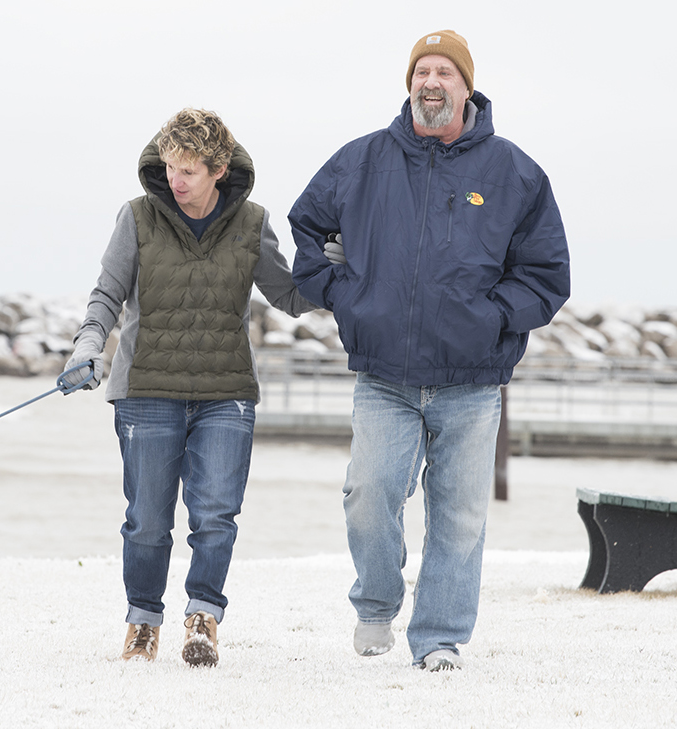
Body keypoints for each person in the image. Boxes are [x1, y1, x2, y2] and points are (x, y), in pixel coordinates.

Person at [287, 30, 570, 671]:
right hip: (384, 374)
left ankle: (439, 638)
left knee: (461, 519)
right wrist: (341, 293)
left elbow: (547, 274)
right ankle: (376, 605)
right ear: (410, 83)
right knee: (368, 496)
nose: (431, 81)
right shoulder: (361, 161)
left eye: (445, 71)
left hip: (472, 381)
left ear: (467, 88)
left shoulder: (514, 173)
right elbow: (305, 223)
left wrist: (492, 317)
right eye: (422, 71)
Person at [62, 108, 317, 667]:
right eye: (169, 166)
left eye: (189, 170)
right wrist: (87, 349)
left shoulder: (252, 223)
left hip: (225, 391)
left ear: (218, 168)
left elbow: (292, 296)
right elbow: (107, 295)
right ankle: (142, 623)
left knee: (216, 515)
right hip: (146, 391)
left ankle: (203, 617)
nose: (175, 180)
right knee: (148, 521)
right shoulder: (137, 218)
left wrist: (343, 263)